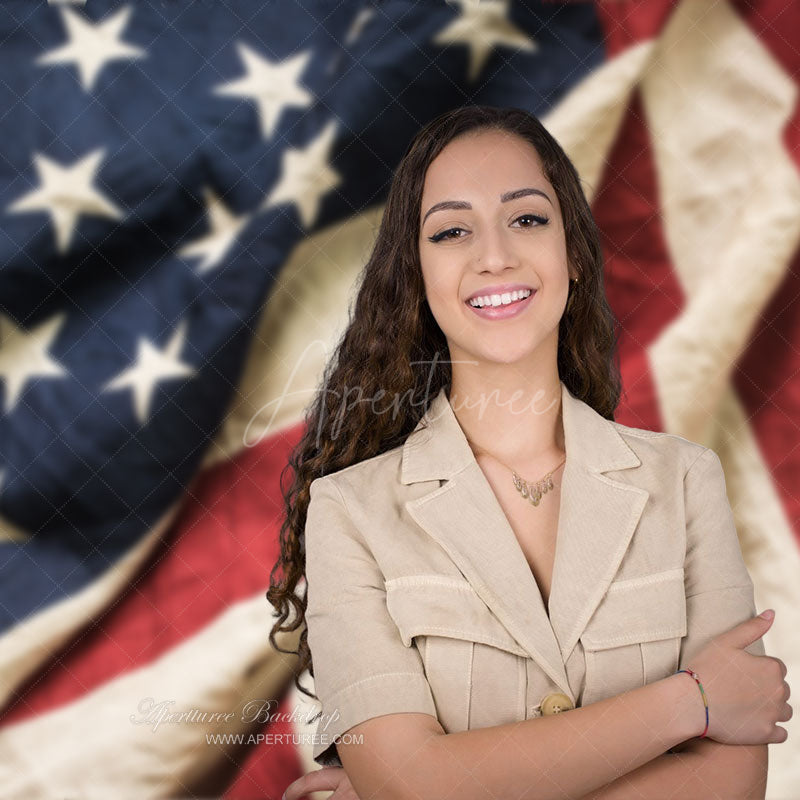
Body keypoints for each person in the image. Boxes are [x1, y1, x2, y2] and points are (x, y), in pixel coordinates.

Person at [268, 105, 791, 800]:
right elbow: (411, 785)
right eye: (452, 231)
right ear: (416, 276)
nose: (495, 256)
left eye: (527, 218)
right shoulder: (348, 513)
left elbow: (730, 787)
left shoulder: (686, 481)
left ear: (572, 252)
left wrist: (441, 785)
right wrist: (690, 702)